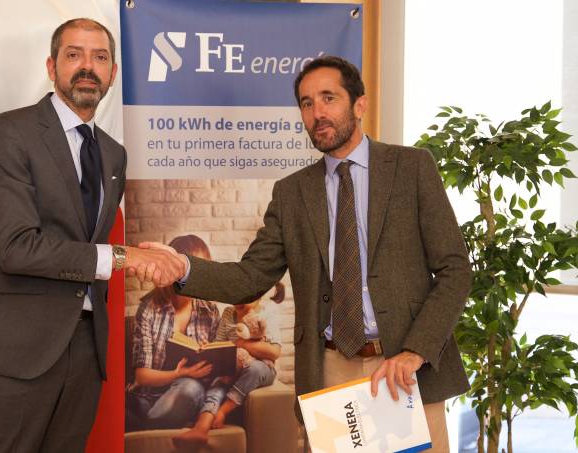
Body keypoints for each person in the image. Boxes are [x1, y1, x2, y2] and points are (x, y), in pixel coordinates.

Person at [142, 56, 472, 452]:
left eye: (329, 98)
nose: (317, 113)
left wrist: (415, 351)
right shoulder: (292, 193)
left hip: (405, 370)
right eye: (306, 103)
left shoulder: (412, 168)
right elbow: (250, 277)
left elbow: (455, 269)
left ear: (360, 105)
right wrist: (183, 268)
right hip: (329, 371)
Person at [0, 18, 184, 452]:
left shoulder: (113, 154)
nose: (87, 66)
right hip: (16, 350)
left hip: (85, 351)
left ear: (112, 74)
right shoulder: (8, 132)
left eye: (99, 57)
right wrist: (123, 256)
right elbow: (14, 246)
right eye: (73, 55)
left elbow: (73, 236)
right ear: (52, 67)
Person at [128, 235, 223, 432]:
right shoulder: (149, 309)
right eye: (189, 271)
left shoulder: (210, 310)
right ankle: (154, 424)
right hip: (148, 399)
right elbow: (142, 376)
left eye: (201, 271)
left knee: (189, 387)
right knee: (126, 402)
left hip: (188, 395)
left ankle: (145, 428)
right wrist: (179, 373)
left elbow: (220, 367)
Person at [172, 283, 283, 447]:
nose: (238, 301)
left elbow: (274, 352)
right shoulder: (228, 314)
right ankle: (201, 428)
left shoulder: (268, 312)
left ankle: (222, 411)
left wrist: (241, 344)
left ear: (259, 293)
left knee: (254, 369)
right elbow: (220, 344)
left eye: (244, 297)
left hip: (262, 367)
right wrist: (209, 349)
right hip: (235, 366)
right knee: (220, 381)